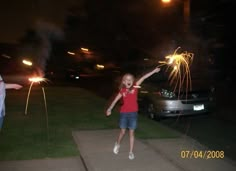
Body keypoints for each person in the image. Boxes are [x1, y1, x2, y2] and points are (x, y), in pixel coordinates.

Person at [106, 67, 161, 160]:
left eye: (130, 79)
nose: (129, 81)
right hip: (124, 113)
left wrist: (154, 71)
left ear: (132, 81)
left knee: (132, 133)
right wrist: (110, 109)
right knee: (123, 132)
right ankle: (117, 144)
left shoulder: (135, 87)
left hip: (133, 114)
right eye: (126, 79)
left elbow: (143, 78)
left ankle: (131, 152)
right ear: (123, 82)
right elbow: (115, 100)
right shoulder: (122, 91)